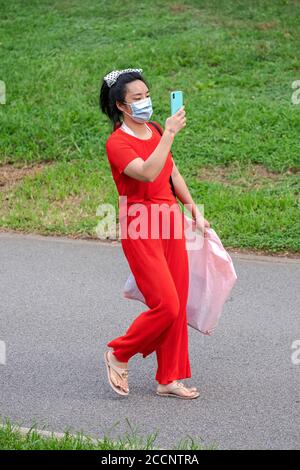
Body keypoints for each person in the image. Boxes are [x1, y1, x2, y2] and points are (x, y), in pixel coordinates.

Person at [99, 68, 210, 399]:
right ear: (121, 105)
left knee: (179, 299)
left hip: (170, 221)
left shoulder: (155, 129)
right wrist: (170, 135)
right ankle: (119, 353)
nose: (145, 102)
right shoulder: (117, 143)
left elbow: (171, 171)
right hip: (140, 225)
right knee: (167, 305)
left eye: (147, 95)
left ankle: (168, 378)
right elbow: (147, 173)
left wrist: (193, 208)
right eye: (137, 98)